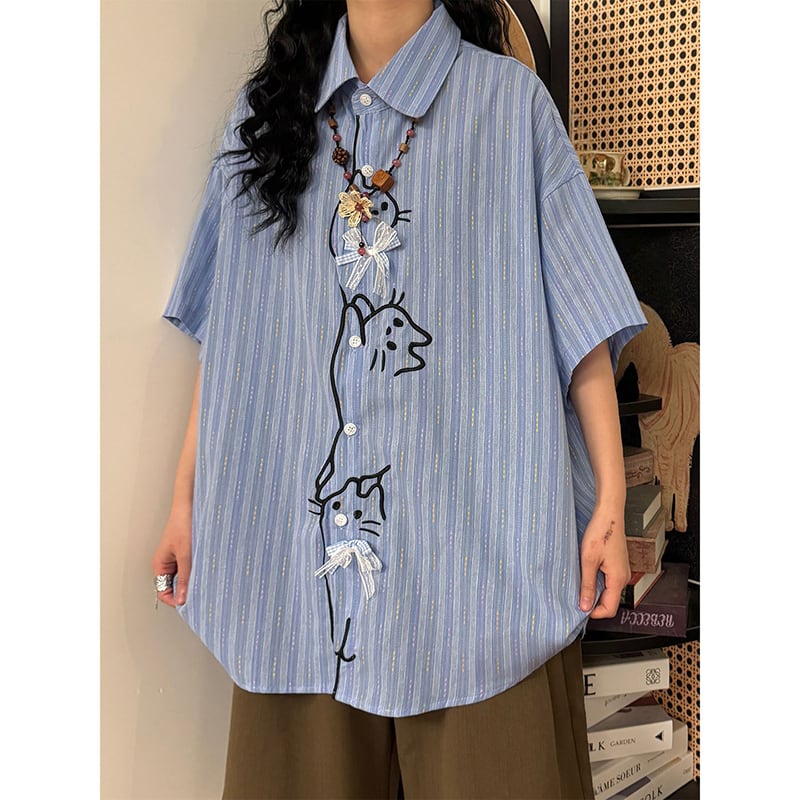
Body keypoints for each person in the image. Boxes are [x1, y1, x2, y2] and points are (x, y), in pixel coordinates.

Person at [152, 1, 647, 797]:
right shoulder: (264, 117)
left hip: (480, 576)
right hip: (295, 581)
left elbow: (581, 326)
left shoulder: (510, 108)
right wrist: (186, 502)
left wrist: (611, 508)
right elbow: (232, 337)